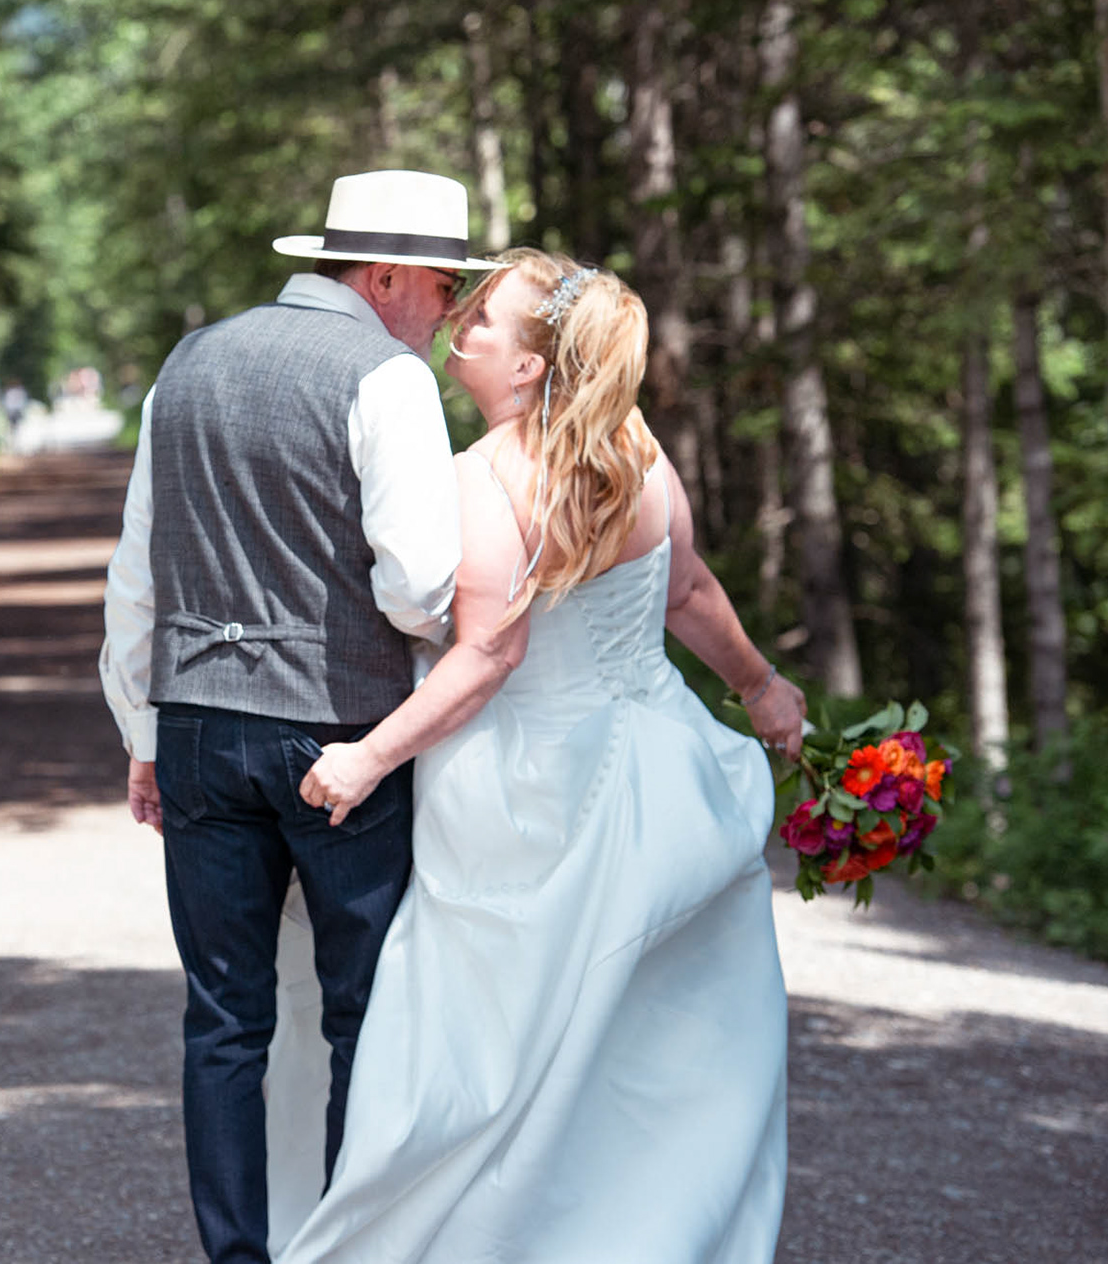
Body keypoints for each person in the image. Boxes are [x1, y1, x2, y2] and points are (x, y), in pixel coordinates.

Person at [267, 247, 806, 1262]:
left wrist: (366, 758)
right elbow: (689, 593)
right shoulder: (638, 453)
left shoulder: (487, 476)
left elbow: (487, 657)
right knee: (637, 1038)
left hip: (524, 791)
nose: (460, 322)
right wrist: (759, 686)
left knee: (492, 1045)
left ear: (527, 369)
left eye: (484, 320)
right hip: (657, 771)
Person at [98, 169, 499, 1264]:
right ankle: (347, 1245)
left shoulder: (185, 364)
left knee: (223, 1022)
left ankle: (239, 1255)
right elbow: (418, 582)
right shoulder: (386, 377)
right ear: (384, 275)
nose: (447, 317)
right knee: (360, 1010)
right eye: (441, 290)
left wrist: (143, 733)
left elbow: (138, 568)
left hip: (192, 727)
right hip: (338, 734)